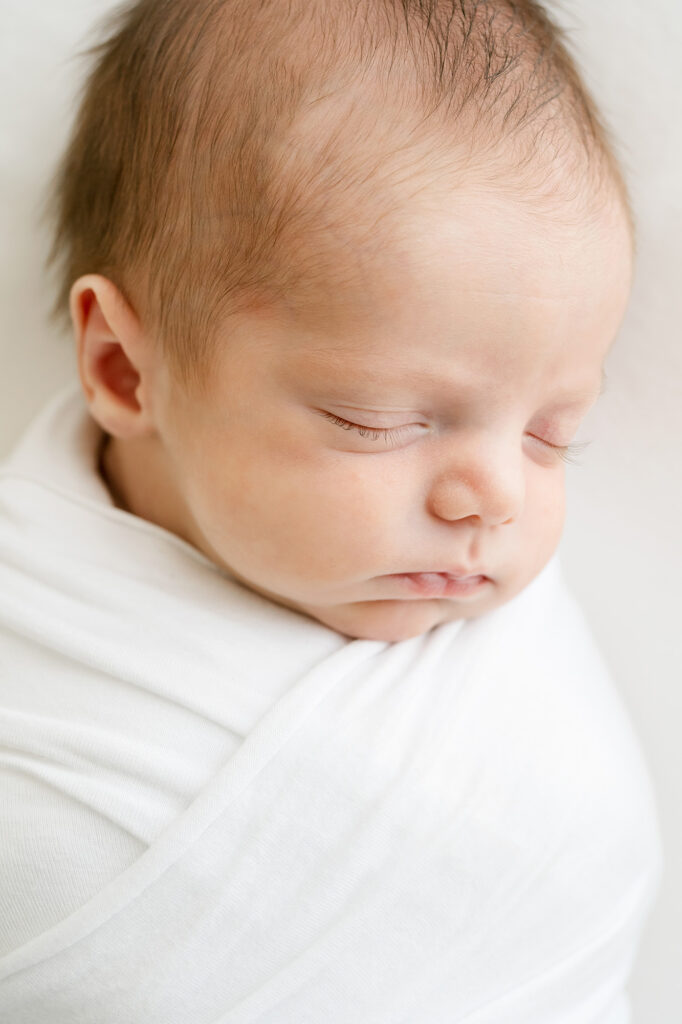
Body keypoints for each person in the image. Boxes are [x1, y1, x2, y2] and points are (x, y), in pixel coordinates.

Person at [0, 2, 662, 1021]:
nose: (495, 494)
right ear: (126, 369)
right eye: (378, 419)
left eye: (551, 433)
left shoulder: (495, 646)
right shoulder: (34, 646)